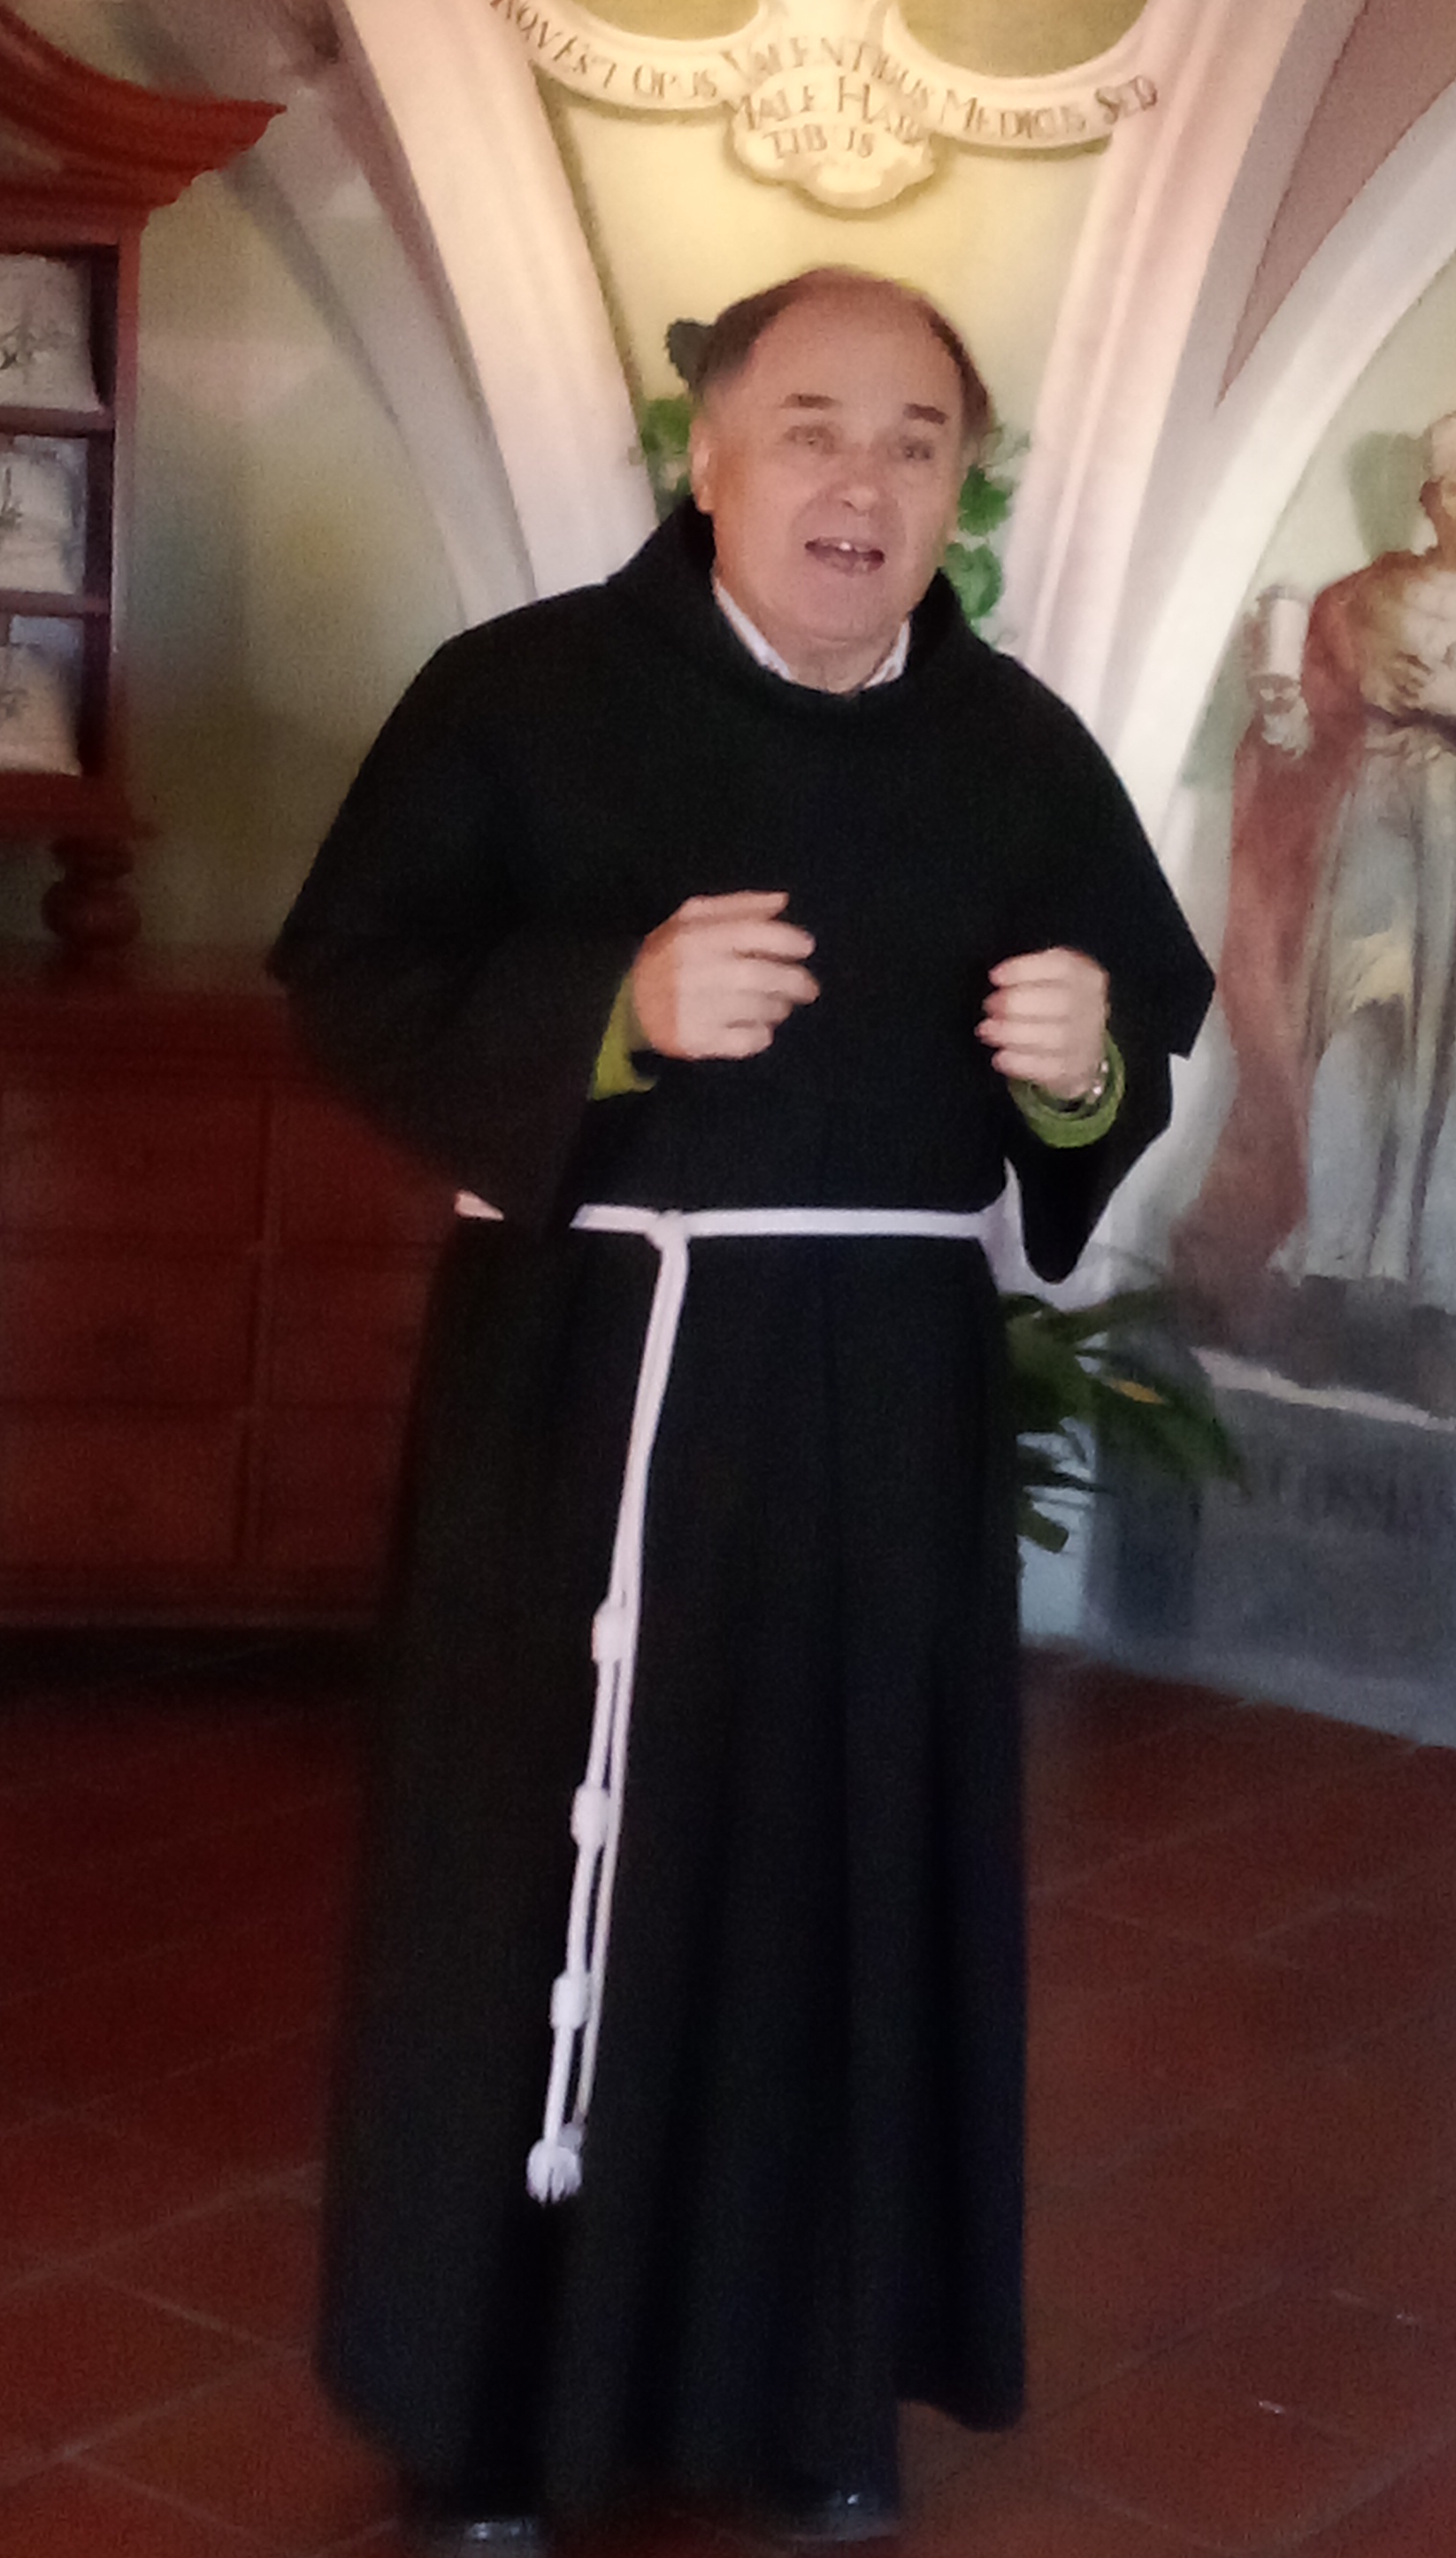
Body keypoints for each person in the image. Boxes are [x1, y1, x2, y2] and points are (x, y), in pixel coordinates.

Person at [272, 268, 1212, 2554]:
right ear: (708, 454)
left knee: (840, 1874)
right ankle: (491, 2405)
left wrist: (1083, 1074)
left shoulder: (1017, 752)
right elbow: (357, 979)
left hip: (879, 1413)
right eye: (812, 424)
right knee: (536, 1873)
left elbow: (1126, 1061)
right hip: (590, 1390)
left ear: (958, 489)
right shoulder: (520, 698)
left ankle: (813, 2385)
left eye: (917, 439)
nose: (862, 480)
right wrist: (608, 1007)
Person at [1170, 409, 1456, 1417]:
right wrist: (1289, 690)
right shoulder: (1371, 598)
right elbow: (1299, 732)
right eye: (1453, 488)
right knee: (1360, 1036)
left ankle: (1424, 1321)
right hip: (1382, 831)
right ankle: (1325, 1287)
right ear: (1427, 498)